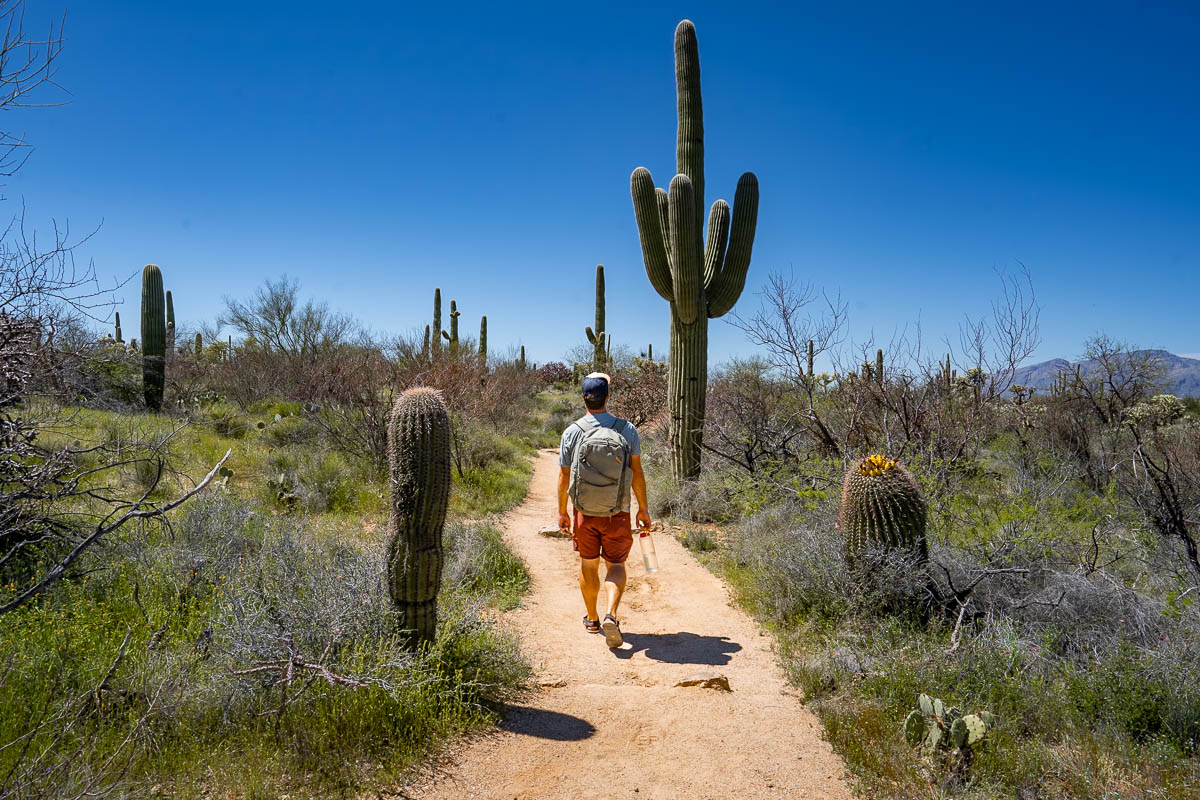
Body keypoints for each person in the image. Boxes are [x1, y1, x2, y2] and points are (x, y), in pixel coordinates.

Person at [557, 372, 651, 648]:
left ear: (584, 398)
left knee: (588, 565)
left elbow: (563, 476)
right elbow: (637, 474)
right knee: (616, 565)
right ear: (608, 397)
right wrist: (643, 510)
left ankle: (592, 618)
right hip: (618, 512)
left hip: (584, 513)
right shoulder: (626, 429)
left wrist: (563, 512)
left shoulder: (572, 431)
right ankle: (612, 613)